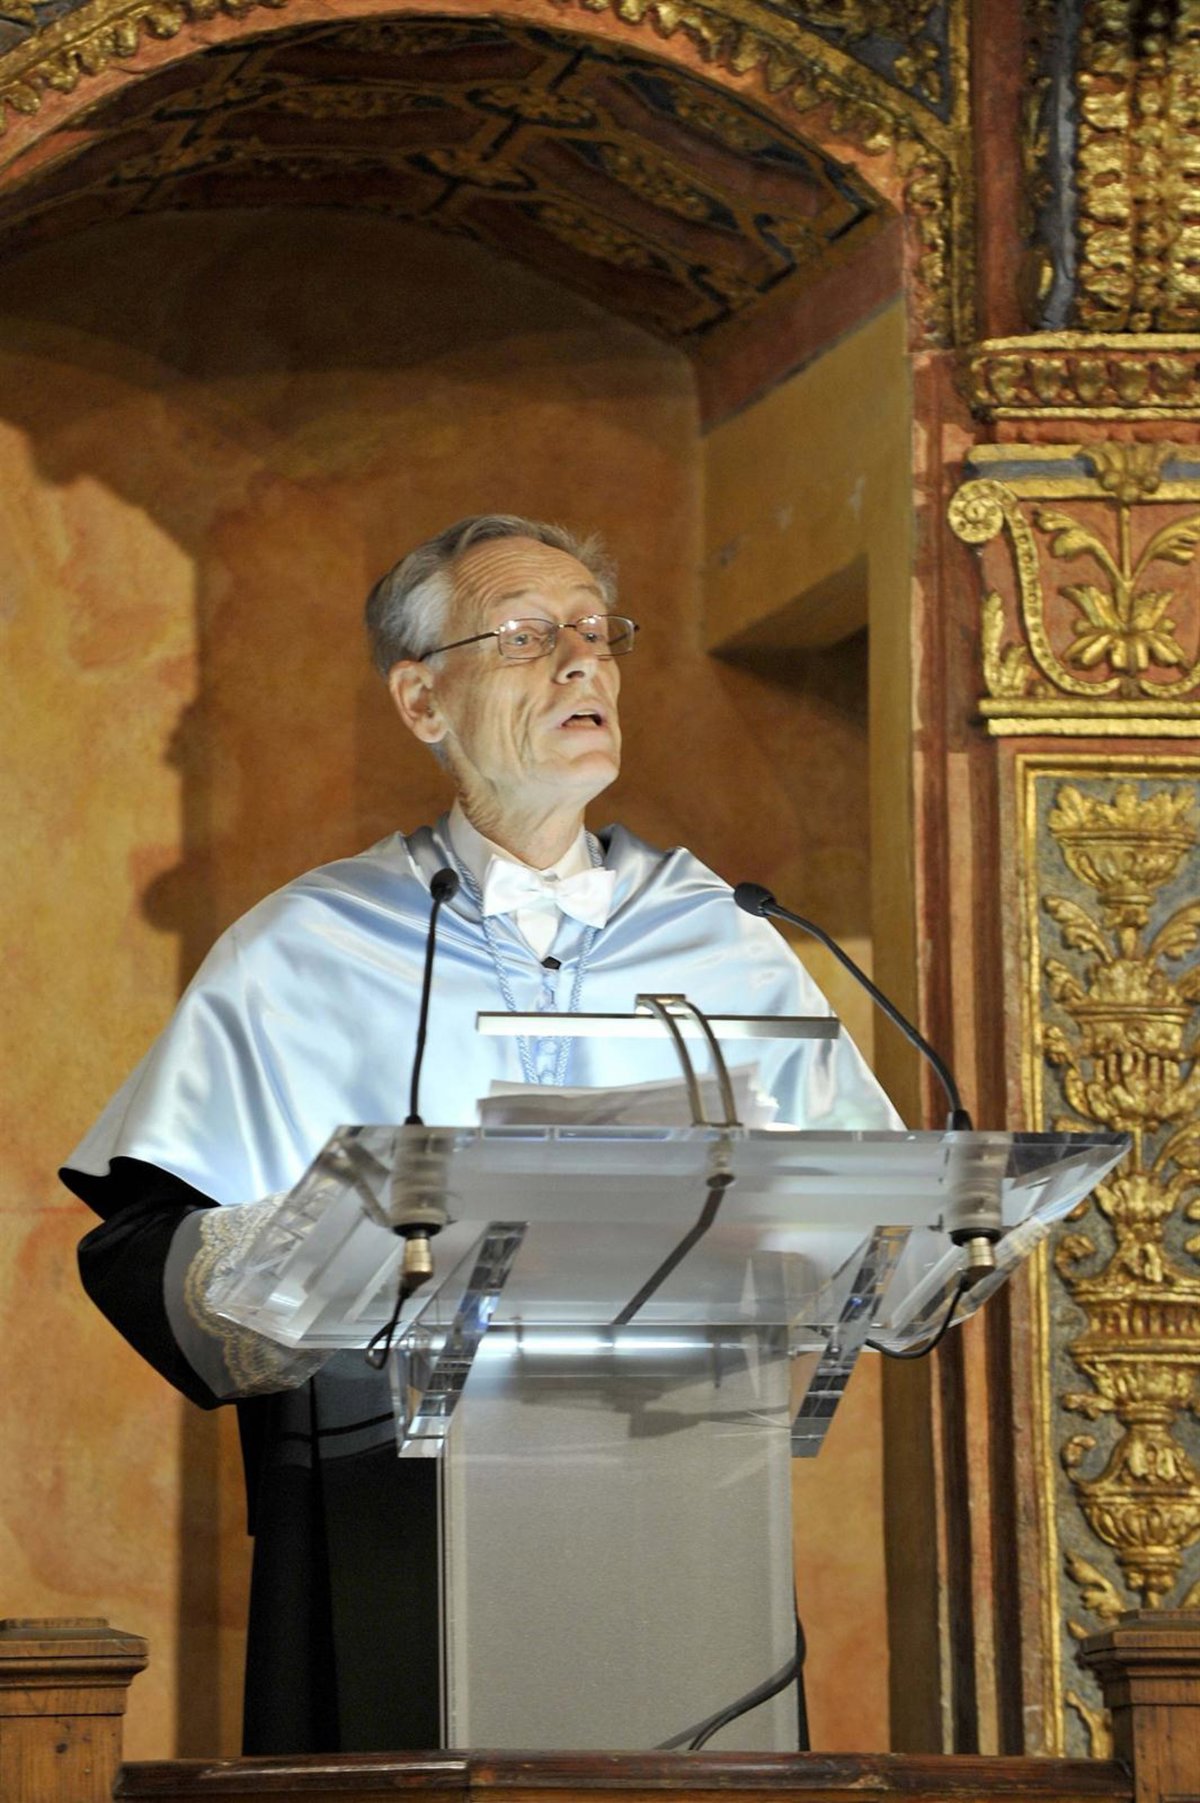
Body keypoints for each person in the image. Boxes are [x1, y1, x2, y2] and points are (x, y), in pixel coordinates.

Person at [63, 513, 898, 1754]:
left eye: (596, 632)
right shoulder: (311, 945)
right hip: (390, 1506)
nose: (582, 661)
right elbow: (144, 1246)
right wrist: (343, 1241)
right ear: (422, 701)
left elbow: (868, 1209)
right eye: (525, 635)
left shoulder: (726, 938)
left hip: (683, 1498)